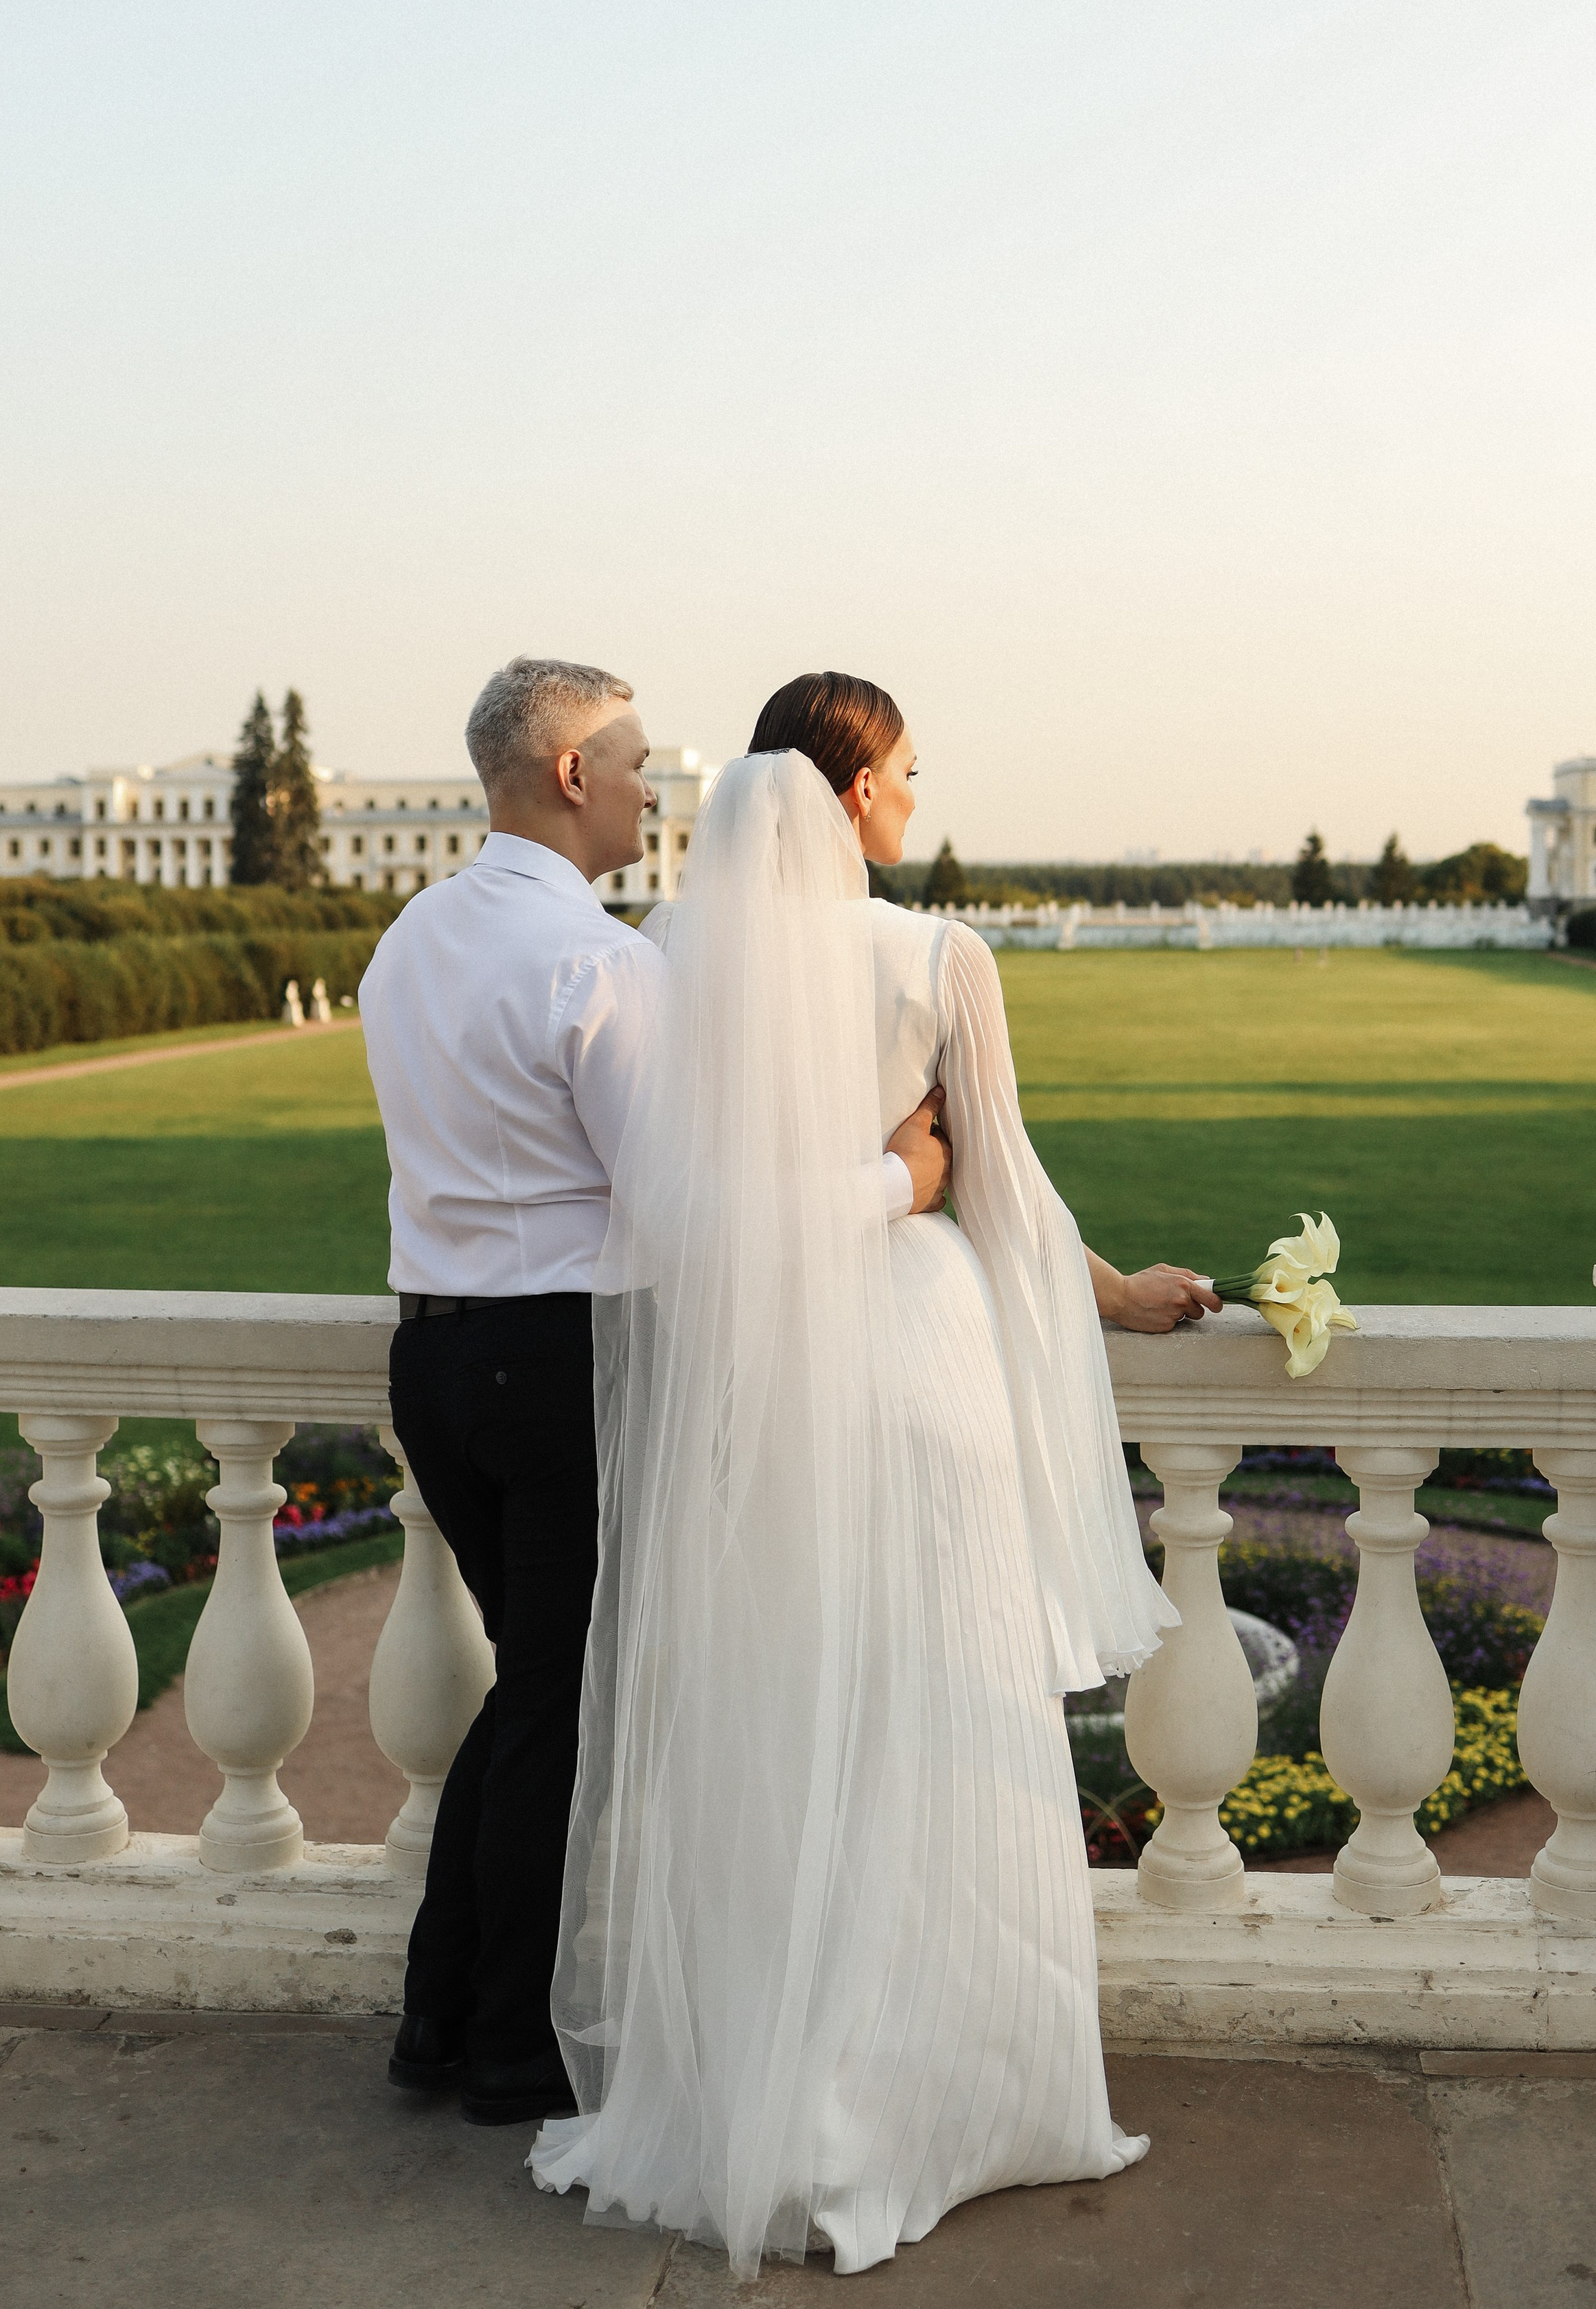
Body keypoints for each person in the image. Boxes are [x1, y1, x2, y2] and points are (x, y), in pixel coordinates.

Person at [530, 671, 1220, 2270]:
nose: (917, 796)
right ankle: (954, 2097)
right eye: (905, 771)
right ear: (847, 795)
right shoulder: (932, 953)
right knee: (939, 1716)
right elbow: (1002, 1189)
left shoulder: (668, 963)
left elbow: (678, 1206)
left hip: (759, 1389)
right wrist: (1117, 1296)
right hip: (914, 1369)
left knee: (790, 1730)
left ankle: (780, 2090)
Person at [360, 657, 950, 2129]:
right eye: (629, 761)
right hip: (554, 1359)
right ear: (568, 775)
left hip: (429, 1358)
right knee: (560, 1701)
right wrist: (897, 1178)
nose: (648, 787)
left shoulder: (408, 941)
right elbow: (697, 1215)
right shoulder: (602, 965)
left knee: (532, 1689)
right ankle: (502, 2038)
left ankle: (440, 2016)